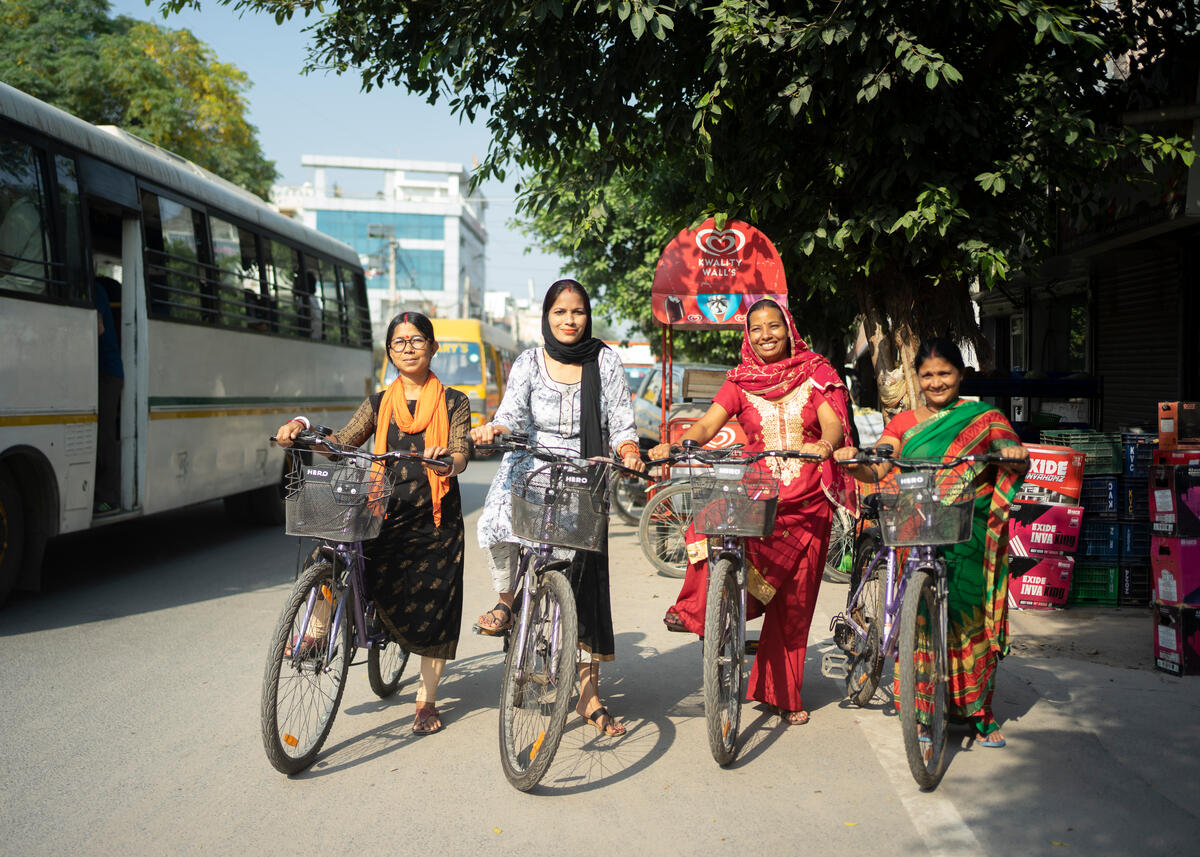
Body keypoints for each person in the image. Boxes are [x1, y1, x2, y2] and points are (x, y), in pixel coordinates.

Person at [651, 299, 854, 726]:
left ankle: (781, 693)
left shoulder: (815, 371)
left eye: (773, 326)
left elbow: (832, 422)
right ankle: (698, 606)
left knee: (795, 603)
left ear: (788, 326)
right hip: (758, 493)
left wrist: (825, 444)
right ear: (748, 334)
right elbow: (708, 424)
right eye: (757, 328)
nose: (766, 335)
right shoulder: (740, 381)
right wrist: (680, 442)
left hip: (808, 499)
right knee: (709, 523)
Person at [275, 311, 470, 735]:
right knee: (329, 551)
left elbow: (460, 453)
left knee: (435, 605)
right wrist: (303, 427)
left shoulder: (455, 402)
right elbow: (343, 440)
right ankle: (316, 631)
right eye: (399, 342)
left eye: (417, 340)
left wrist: (446, 460)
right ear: (389, 353)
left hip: (434, 521)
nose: (408, 348)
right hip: (383, 510)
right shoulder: (380, 403)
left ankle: (426, 700)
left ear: (433, 348)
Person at [834, 337, 1029, 747]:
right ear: (916, 378)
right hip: (917, 527)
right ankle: (922, 714)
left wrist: (1011, 451)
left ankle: (980, 713)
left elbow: (1012, 454)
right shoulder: (904, 423)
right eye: (928, 375)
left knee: (969, 618)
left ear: (960, 375)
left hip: (968, 533)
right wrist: (859, 462)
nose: (936, 382)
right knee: (920, 621)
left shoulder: (985, 417)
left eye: (945, 373)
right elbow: (884, 458)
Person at [472, 279, 644, 737]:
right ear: (547, 317)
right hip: (530, 462)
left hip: (585, 470)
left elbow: (621, 421)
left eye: (578, 312)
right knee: (494, 523)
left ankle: (589, 696)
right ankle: (508, 603)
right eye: (560, 313)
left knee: (584, 583)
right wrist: (496, 428)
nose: (569, 321)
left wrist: (627, 449)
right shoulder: (528, 360)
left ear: (588, 317)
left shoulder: (605, 360)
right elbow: (512, 412)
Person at [94, 277, 124, 514]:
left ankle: (109, 497)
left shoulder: (94, 290)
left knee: (104, 433)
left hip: (108, 373)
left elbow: (98, 328)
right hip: (97, 371)